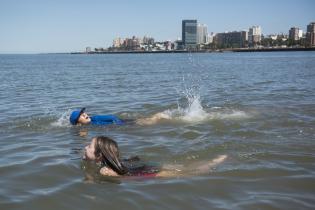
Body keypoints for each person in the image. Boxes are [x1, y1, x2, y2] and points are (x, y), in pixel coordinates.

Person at [83, 136, 227, 178]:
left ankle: (215, 163)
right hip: (145, 166)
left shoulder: (104, 171)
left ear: (99, 156)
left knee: (187, 174)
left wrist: (89, 178)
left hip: (145, 173)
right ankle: (215, 160)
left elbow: (121, 178)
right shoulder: (111, 163)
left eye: (89, 146)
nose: (85, 147)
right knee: (182, 168)